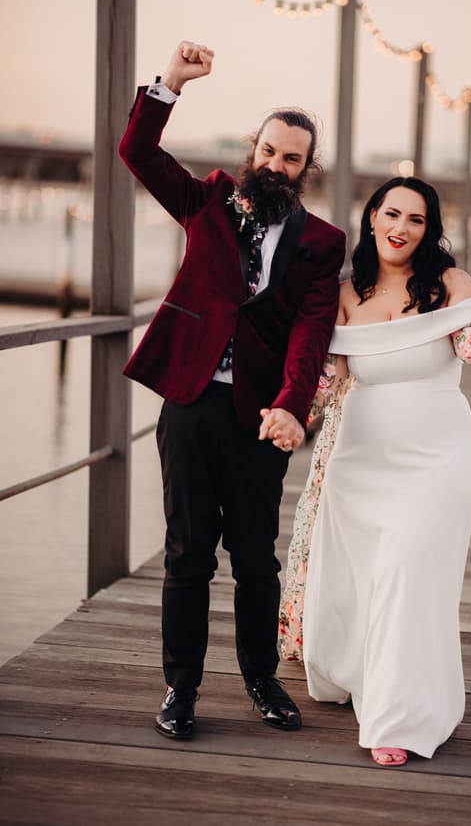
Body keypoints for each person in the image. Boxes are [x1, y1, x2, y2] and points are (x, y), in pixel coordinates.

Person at [279, 176, 471, 766]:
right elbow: (327, 384)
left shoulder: (451, 283)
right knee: (370, 578)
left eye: (417, 219)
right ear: (372, 217)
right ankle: (365, 674)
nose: (401, 228)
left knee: (409, 574)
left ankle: (399, 717)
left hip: (436, 459)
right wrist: (291, 418)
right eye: (392, 214)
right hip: (359, 463)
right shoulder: (345, 294)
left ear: (430, 230)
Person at [118, 41, 346, 740]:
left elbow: (311, 330)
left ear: (306, 170)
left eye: (292, 158)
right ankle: (179, 689)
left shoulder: (322, 242)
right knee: (187, 551)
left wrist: (291, 404)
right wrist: (170, 83)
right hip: (188, 400)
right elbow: (138, 152)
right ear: (255, 149)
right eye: (270, 151)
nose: (277, 164)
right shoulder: (209, 199)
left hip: (259, 416)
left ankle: (261, 678)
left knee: (254, 555)